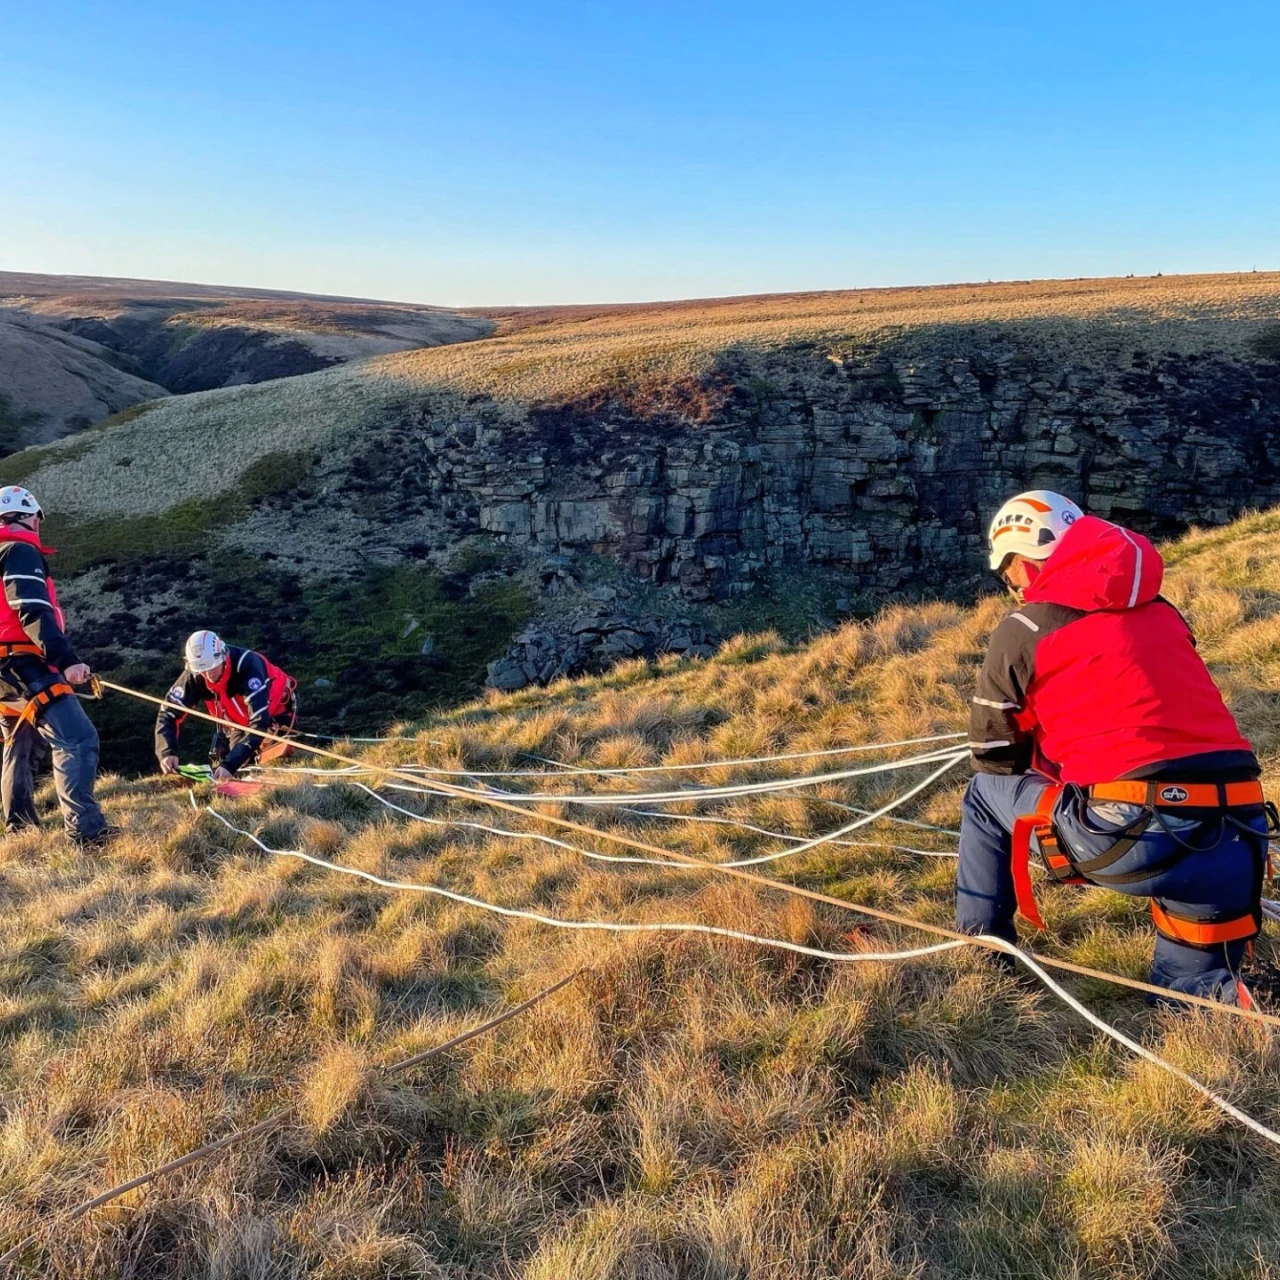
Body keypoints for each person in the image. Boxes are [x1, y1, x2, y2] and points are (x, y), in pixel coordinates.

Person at [959, 489, 1272, 1007]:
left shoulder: (1025, 628)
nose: (1013, 589)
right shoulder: (1165, 613)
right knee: (1187, 1003)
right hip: (1237, 830)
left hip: (1131, 832)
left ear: (1027, 563)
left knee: (984, 794)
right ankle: (1222, 997)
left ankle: (983, 953)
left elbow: (994, 754)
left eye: (1010, 575)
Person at [0, 485, 115, 846]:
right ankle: (87, 832)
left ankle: (20, 830)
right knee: (77, 738)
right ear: (25, 517)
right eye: (36, 517)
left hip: (4, 670)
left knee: (20, 743)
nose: (38, 524)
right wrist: (67, 662)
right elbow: (31, 608)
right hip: (24, 662)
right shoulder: (18, 550)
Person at [155, 631, 298, 779]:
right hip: (237, 723)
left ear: (222, 655)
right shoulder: (195, 674)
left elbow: (258, 723)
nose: (209, 675)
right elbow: (168, 713)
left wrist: (230, 764)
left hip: (275, 712)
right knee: (241, 768)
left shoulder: (247, 666)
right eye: (202, 670)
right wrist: (166, 752)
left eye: (212, 667)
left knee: (277, 760)